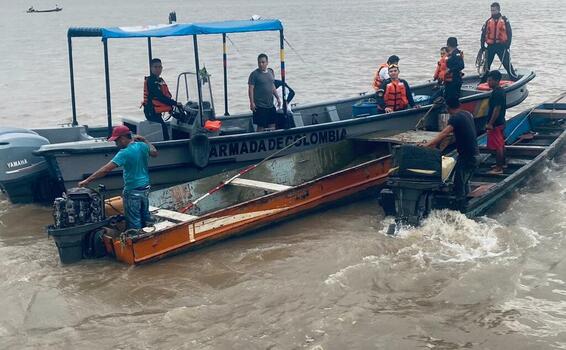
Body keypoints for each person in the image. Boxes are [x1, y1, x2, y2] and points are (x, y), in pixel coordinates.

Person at [78, 125, 158, 230]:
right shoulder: (142, 146)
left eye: (117, 140)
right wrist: (145, 140)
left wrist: (87, 180)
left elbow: (106, 169)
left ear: (123, 138)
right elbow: (155, 153)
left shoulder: (124, 153)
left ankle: (137, 240)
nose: (116, 143)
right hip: (145, 188)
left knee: (134, 222)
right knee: (145, 217)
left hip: (132, 190)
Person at [424, 97, 479, 207]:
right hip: (475, 155)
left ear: (448, 108)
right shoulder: (467, 114)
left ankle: (462, 208)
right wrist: (439, 148)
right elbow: (454, 135)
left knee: (458, 183)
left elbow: (444, 133)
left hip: (466, 157)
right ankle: (465, 202)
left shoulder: (455, 118)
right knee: (464, 181)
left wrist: (427, 145)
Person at [142, 58, 183, 141]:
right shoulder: (151, 81)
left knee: (166, 126)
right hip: (151, 111)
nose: (158, 69)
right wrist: (175, 103)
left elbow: (166, 96)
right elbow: (160, 97)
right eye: (155, 67)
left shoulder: (160, 80)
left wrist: (171, 107)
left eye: (160, 67)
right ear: (151, 68)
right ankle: (167, 145)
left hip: (156, 111)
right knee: (164, 129)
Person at [481, 2, 518, 80]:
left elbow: (509, 33)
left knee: (507, 63)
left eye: (494, 10)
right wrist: (482, 46)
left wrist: (508, 44)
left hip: (501, 46)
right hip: (490, 46)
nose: (492, 12)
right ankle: (483, 80)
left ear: (498, 10)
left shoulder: (505, 20)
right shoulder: (488, 21)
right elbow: (483, 34)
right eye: (491, 10)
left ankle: (513, 77)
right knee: (486, 65)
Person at [248, 53, 281, 131]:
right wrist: (252, 102)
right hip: (260, 106)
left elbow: (272, 86)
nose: (261, 64)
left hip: (270, 104)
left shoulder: (270, 72)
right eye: (259, 62)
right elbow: (250, 89)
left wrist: (278, 98)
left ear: (267, 63)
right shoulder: (254, 74)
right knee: (261, 126)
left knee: (272, 124)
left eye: (263, 62)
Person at [485, 70, 507, 174]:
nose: (488, 82)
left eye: (490, 80)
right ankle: (503, 163)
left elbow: (497, 109)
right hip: (501, 122)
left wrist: (490, 123)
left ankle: (499, 168)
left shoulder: (498, 93)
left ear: (497, 81)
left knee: (498, 146)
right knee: (501, 144)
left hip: (496, 124)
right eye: (488, 80)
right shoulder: (499, 91)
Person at [444, 37, 465, 101]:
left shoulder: (456, 54)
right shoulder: (450, 54)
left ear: (448, 44)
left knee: (453, 98)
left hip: (454, 80)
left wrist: (450, 70)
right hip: (450, 80)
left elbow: (461, 66)